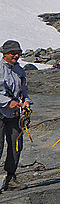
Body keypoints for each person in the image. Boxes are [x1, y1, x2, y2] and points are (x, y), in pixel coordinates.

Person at [1, 40, 31, 191]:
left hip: (15, 114)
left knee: (16, 145)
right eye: (13, 53)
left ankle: (10, 178)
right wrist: (7, 102)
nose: (16, 55)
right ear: (4, 54)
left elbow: (24, 90)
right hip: (1, 112)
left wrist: (26, 101)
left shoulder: (19, 70)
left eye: (18, 53)